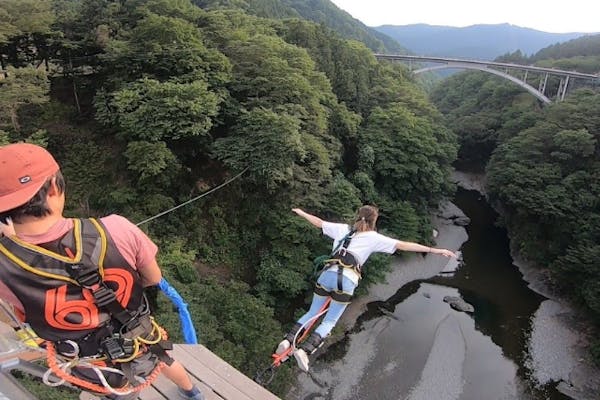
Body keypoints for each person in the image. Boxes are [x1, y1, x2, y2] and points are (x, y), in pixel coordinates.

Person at [0, 143, 204, 400]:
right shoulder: (117, 228)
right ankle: (193, 394)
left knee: (117, 392)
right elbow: (152, 278)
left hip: (85, 357)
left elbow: (24, 312)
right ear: (54, 186)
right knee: (163, 359)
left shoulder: (4, 265)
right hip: (136, 332)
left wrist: (10, 244)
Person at [277, 206, 457, 372]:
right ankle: (305, 351)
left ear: (358, 216)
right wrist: (434, 250)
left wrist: (301, 212)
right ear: (374, 220)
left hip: (327, 276)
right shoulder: (374, 238)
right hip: (347, 280)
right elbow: (404, 245)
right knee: (330, 321)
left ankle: (287, 340)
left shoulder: (342, 229)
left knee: (312, 312)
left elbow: (319, 222)